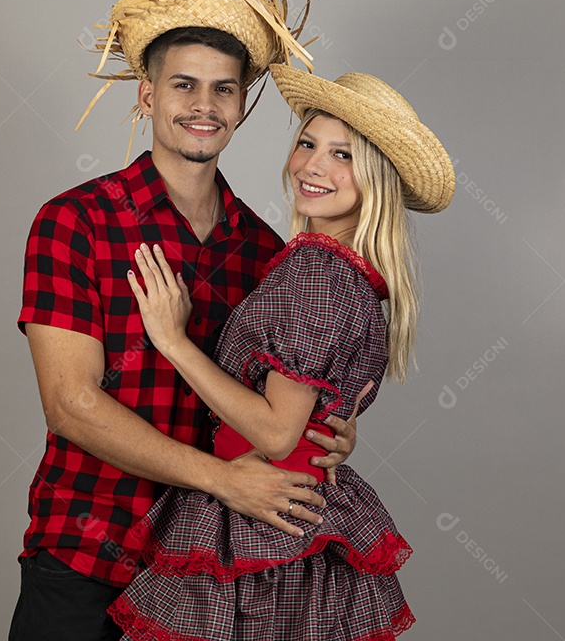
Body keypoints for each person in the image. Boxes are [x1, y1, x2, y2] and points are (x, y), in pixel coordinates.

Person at [8, 0, 358, 641]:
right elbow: (73, 404)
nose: (204, 107)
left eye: (223, 90)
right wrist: (225, 481)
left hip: (207, 573)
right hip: (86, 547)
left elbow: (269, 409)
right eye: (184, 86)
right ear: (147, 94)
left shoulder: (268, 255)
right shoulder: (76, 220)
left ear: (242, 105)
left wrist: (325, 432)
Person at [108, 63, 455, 641]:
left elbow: (275, 435)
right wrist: (328, 431)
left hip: (260, 520)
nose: (313, 166)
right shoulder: (353, 274)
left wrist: (173, 341)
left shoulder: (316, 271)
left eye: (343, 155)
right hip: (296, 516)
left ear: (377, 177)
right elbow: (309, 416)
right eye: (307, 144)